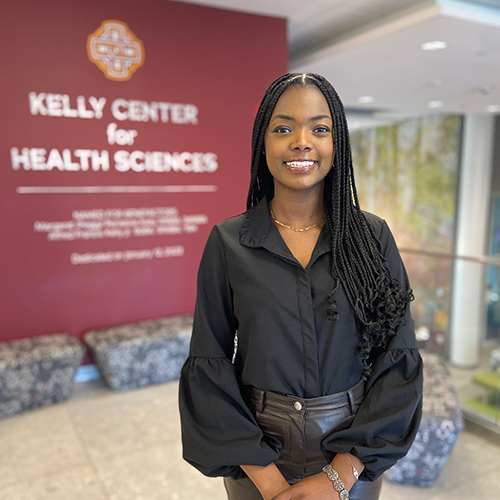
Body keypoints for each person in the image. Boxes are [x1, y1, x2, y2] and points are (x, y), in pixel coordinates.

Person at [179, 73, 423, 500]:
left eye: (320, 129)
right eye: (283, 129)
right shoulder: (228, 242)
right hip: (257, 456)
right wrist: (271, 484)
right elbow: (209, 360)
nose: (302, 142)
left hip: (352, 456)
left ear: (337, 143)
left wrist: (340, 476)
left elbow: (397, 356)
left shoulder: (373, 238)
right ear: (263, 143)